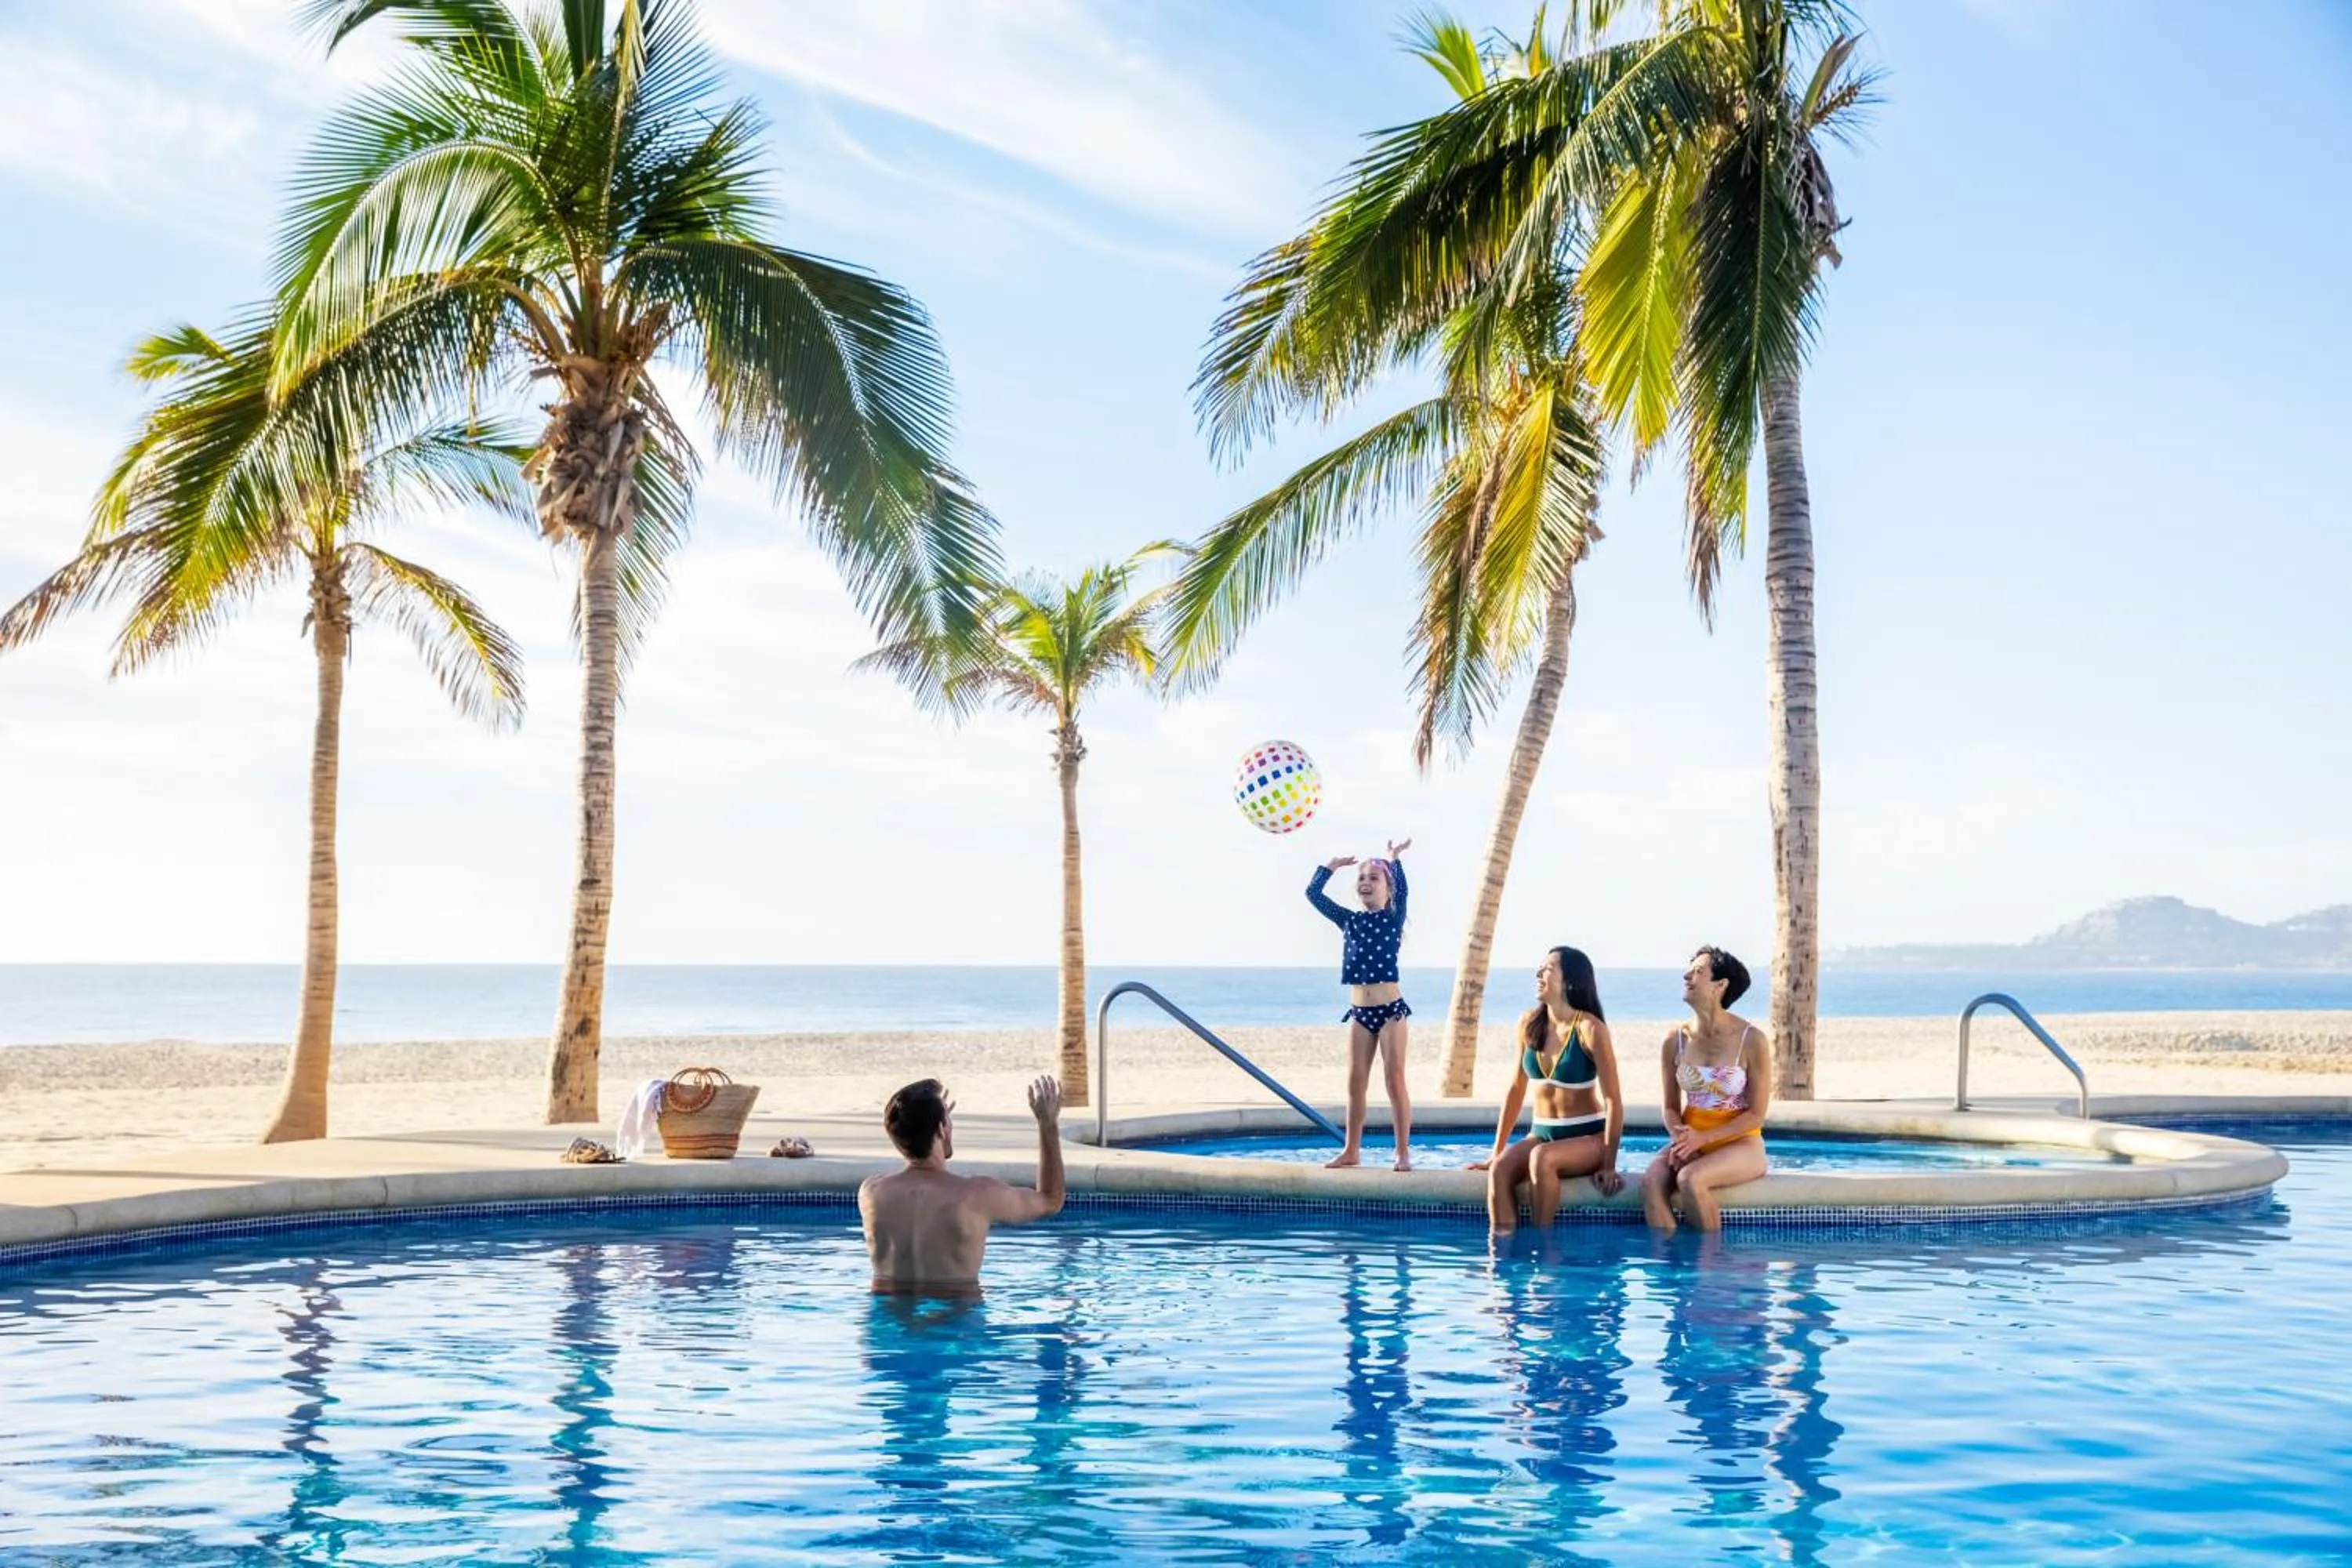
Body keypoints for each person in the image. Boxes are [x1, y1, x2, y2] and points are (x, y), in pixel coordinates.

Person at [860, 1074, 1065, 1296]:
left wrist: (929, 1122)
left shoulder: (871, 1192)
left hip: (887, 1322)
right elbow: (1051, 1200)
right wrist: (1048, 1124)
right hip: (957, 1321)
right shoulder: (977, 1195)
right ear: (941, 1129)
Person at [1468, 946, 1624, 1231]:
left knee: (1542, 1159)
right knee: (1501, 1170)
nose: (1539, 973)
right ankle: (1501, 1257)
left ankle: (1545, 1252)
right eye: (1540, 968)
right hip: (1541, 1134)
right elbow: (1516, 1088)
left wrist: (1609, 1163)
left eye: (1549, 968)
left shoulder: (1590, 1029)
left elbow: (1613, 1100)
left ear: (1570, 981)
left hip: (1588, 1137)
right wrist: (1497, 1150)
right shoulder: (1528, 1023)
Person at [1642, 946, 1772, 1232]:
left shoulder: (1752, 1040)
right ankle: (1671, 1266)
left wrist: (1702, 1139)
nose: (1687, 976)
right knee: (1651, 1182)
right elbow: (1670, 1108)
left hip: (1741, 1144)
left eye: (1699, 971)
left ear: (1720, 985)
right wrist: (1681, 1140)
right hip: (1689, 1138)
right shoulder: (1674, 1040)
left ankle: (1711, 1268)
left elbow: (1756, 1115)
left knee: (1691, 1178)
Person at [1306, 837, 1414, 1170]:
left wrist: (1393, 858)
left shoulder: (1393, 919)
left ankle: (1402, 1153)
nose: (1366, 882)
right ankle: (1352, 1150)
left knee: (1394, 1080)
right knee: (1355, 1083)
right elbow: (1313, 895)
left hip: (1391, 1012)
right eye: (1362, 878)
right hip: (1359, 1013)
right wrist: (1330, 867)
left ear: (1388, 889)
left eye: (1374, 878)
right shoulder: (1349, 921)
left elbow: (1405, 892)